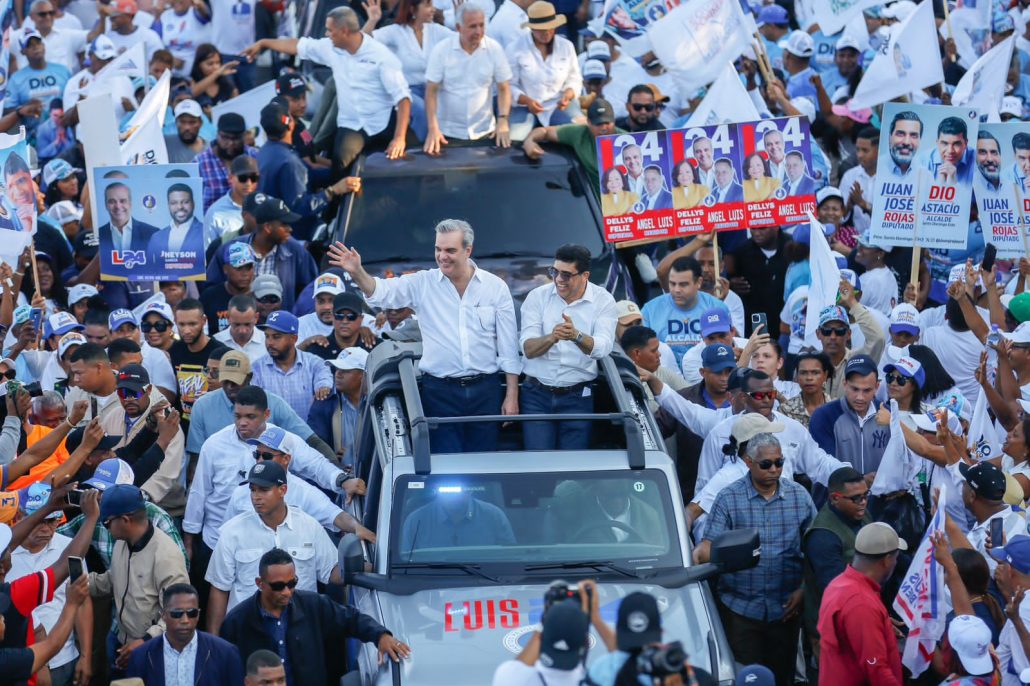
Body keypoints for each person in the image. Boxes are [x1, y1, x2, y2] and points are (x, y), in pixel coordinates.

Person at [329, 219, 520, 453]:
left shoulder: (495, 287)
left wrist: (511, 396)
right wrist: (357, 271)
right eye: (438, 249)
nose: (442, 256)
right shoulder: (423, 283)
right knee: (445, 469)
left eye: (450, 250)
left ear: (468, 250)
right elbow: (380, 292)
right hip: (440, 392)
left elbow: (509, 347)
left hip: (486, 391)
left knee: (484, 463)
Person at [696, 431, 816, 684]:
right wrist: (719, 554)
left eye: (779, 462)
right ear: (749, 463)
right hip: (740, 609)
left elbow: (815, 550)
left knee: (783, 678)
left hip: (785, 609)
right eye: (766, 464)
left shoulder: (799, 497)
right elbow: (707, 547)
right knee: (747, 679)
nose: (774, 469)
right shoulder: (729, 498)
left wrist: (804, 590)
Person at [242, 6, 413, 173]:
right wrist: (264, 43)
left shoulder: (381, 56)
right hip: (351, 126)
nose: (326, 34)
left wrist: (399, 138)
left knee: (402, 166)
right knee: (341, 168)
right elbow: (297, 45)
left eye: (330, 30)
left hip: (382, 124)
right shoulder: (330, 48)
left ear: (344, 31)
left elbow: (403, 98)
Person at [219, 548, 410, 686]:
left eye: (292, 583)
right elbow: (226, 671)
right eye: (278, 586)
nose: (287, 591)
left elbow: (351, 619)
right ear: (260, 583)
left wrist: (381, 636)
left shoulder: (313, 605)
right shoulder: (238, 621)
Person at [205, 461, 340, 632]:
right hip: (249, 631)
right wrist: (214, 644)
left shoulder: (309, 526)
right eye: (252, 489)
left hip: (299, 629)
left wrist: (367, 568)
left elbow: (332, 572)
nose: (256, 496)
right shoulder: (232, 532)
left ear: (283, 490)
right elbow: (219, 589)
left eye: (263, 490)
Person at [519, 243, 616, 450]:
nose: (558, 279)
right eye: (554, 272)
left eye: (566, 274)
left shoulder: (603, 300)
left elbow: (603, 348)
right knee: (537, 463)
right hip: (536, 394)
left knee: (574, 468)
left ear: (585, 275)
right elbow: (528, 348)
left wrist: (576, 336)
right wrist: (552, 337)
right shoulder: (537, 297)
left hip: (578, 397)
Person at [89, 484, 189, 673]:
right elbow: (113, 579)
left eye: (107, 522)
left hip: (151, 652)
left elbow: (179, 613)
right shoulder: (122, 543)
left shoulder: (166, 556)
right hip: (119, 640)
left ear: (125, 520)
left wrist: (145, 641)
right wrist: (81, 583)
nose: (105, 527)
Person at [7, 483, 92, 686]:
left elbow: (82, 601)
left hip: (64, 659)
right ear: (19, 516)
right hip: (20, 664)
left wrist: (86, 656)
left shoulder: (69, 547)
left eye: (52, 521)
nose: (46, 529)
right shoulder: (5, 557)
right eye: (40, 521)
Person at [185, 350, 332, 460]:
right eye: (225, 380)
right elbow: (195, 457)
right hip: (221, 483)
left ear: (249, 377)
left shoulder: (274, 403)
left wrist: (336, 469)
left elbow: (311, 440)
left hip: (268, 484)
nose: (229, 386)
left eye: (235, 381)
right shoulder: (202, 406)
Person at [817, 522, 907, 685]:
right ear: (887, 560)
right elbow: (876, 669)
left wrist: (880, 626)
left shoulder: (839, 584)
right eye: (896, 558)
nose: (895, 563)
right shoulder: (861, 603)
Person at [255, 101, 360, 237]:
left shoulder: (264, 152)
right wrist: (333, 191)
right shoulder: (289, 161)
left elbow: (308, 175)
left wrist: (340, 173)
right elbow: (299, 207)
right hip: (296, 236)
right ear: (291, 124)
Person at [423, 4, 512, 154]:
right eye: (472, 26)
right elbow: (431, 92)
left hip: (484, 131)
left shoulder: (494, 49)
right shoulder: (441, 50)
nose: (479, 31)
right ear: (458, 27)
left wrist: (503, 120)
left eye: (481, 25)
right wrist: (433, 128)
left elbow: (504, 87)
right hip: (447, 133)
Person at [206, 195, 318, 312]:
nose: (290, 229)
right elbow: (211, 289)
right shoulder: (231, 248)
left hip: (280, 327)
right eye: (284, 224)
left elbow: (311, 291)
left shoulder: (296, 251)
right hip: (240, 324)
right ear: (268, 227)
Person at [802, 466, 871, 653]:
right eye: (856, 498)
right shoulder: (823, 536)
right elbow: (838, 593)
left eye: (866, 495)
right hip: (834, 629)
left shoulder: (861, 515)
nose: (863, 502)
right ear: (835, 498)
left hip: (863, 615)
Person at [125, 583, 244, 686]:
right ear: (163, 616)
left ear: (198, 615)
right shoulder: (141, 656)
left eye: (192, 613)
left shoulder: (225, 653)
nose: (185, 620)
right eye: (177, 614)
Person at [506, 2, 580, 134]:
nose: (546, 32)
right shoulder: (515, 48)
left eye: (550, 28)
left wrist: (568, 94)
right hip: (525, 106)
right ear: (532, 29)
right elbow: (510, 85)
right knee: (515, 137)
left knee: (580, 131)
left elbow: (574, 78)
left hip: (558, 104)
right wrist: (527, 101)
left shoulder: (566, 46)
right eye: (541, 29)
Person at [810, 355, 889, 473]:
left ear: (877, 387)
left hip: (881, 491)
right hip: (838, 491)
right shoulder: (824, 416)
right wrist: (862, 481)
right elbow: (823, 466)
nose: (860, 397)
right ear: (845, 384)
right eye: (855, 389)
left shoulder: (888, 414)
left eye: (867, 390)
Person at [641, 256, 722, 367]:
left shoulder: (717, 308)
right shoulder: (650, 310)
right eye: (672, 284)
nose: (676, 290)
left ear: (698, 282)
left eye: (683, 284)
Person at [251, 311, 332, 421]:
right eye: (267, 336)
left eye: (276, 337)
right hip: (270, 435)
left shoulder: (314, 363)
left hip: (308, 435)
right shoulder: (256, 368)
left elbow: (324, 378)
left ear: (294, 338)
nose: (269, 342)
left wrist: (323, 387)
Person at [493, 600, 592, 686]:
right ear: (586, 642)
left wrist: (548, 619)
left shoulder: (509, 676)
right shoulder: (600, 679)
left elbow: (515, 669)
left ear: (540, 637)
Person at [194, 113, 259, 212]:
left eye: (236, 138)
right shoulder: (200, 163)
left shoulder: (255, 157)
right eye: (225, 137)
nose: (231, 143)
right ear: (217, 134)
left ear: (244, 136)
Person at [203, 157, 258, 249]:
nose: (249, 183)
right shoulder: (215, 213)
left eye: (253, 178)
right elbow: (208, 252)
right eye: (243, 178)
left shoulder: (266, 207)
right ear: (230, 178)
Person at [97, 181, 160, 254]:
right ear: (106, 205)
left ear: (130, 203)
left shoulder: (153, 233)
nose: (118, 206)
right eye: (112, 201)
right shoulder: (98, 234)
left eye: (123, 201)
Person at [840, 127, 879, 235]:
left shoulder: (892, 177)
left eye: (865, 150)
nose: (859, 155)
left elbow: (890, 218)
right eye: (857, 149)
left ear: (879, 151)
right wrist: (849, 205)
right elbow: (839, 218)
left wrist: (863, 204)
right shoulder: (849, 176)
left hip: (888, 243)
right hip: (858, 243)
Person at [854, 232, 898, 316]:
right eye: (860, 244)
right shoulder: (889, 274)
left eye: (865, 246)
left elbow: (852, 309)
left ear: (880, 254)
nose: (859, 248)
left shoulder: (867, 280)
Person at [213, 294, 266, 361]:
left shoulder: (267, 342)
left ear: (256, 317)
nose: (242, 331)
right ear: (228, 317)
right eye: (237, 325)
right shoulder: (215, 342)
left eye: (247, 324)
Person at [928, 116, 974, 185]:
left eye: (956, 144)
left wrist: (953, 185)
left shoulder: (977, 160)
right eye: (944, 143)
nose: (950, 151)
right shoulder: (924, 161)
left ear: (965, 144)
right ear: (937, 143)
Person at [164, 99, 208, 164]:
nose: (187, 127)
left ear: (200, 123)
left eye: (192, 122)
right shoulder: (164, 143)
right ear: (176, 123)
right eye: (182, 122)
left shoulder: (210, 149)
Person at [886, 110, 922, 180]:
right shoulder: (875, 169)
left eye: (913, 135)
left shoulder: (926, 177)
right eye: (900, 134)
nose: (906, 142)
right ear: (890, 138)